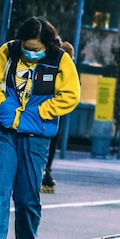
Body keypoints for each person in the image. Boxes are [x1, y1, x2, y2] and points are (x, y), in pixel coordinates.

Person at [0, 17, 80, 239]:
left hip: (37, 136)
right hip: (5, 131)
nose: (30, 52)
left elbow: (71, 96)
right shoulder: (9, 50)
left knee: (27, 196)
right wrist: (4, 104)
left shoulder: (60, 60)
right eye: (26, 46)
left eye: (35, 49)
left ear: (46, 44)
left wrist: (44, 111)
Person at [41, 37, 75, 194]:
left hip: (45, 108)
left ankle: (45, 170)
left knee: (47, 140)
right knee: (51, 140)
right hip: (51, 110)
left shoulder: (50, 62)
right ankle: (45, 170)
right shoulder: (60, 64)